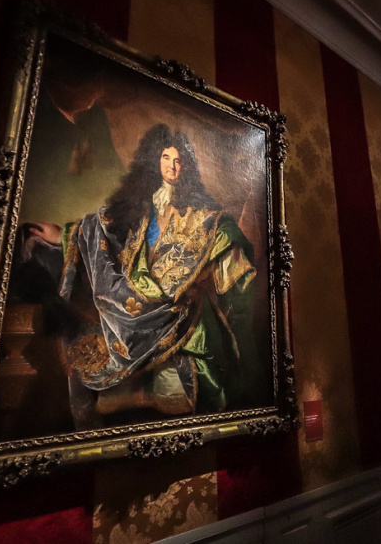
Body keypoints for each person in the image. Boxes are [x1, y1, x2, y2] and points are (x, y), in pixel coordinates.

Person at [30, 124, 265, 429]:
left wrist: (223, 252)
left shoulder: (200, 214)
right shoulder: (138, 209)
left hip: (183, 313)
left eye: (178, 160)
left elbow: (221, 232)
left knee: (194, 378)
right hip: (136, 311)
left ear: (187, 167)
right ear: (155, 162)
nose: (172, 165)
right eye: (166, 157)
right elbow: (97, 230)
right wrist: (64, 234)